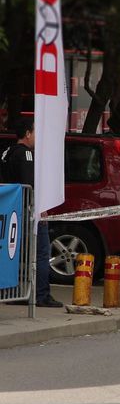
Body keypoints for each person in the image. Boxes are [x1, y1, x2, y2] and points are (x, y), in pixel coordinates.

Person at [1, 118, 62, 307]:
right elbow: (30, 185)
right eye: (35, 132)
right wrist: (40, 209)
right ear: (27, 133)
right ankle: (41, 295)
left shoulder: (6, 152)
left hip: (11, 213)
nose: (37, 137)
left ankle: (15, 291)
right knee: (41, 253)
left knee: (16, 254)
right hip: (28, 213)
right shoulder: (26, 154)